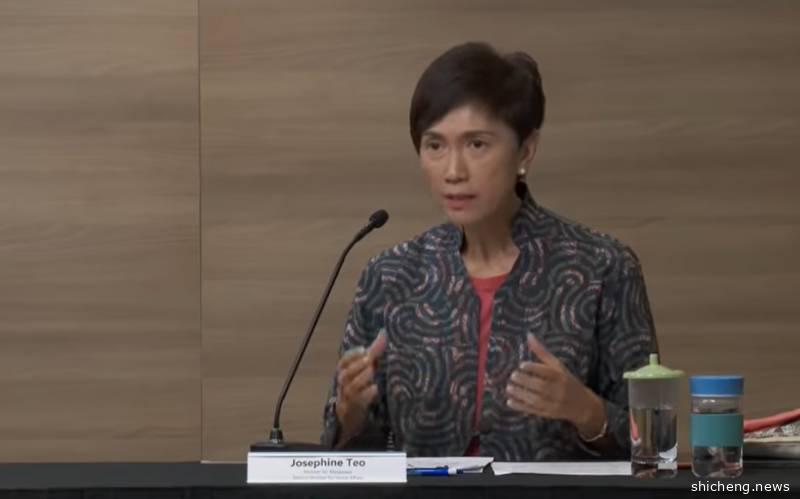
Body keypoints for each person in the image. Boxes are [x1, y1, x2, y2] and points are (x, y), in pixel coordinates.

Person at [320, 41, 658, 460]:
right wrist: (349, 414)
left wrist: (588, 412)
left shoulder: (602, 268)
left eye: (476, 144)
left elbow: (655, 444)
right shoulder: (390, 277)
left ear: (525, 151)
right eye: (435, 145)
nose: (453, 171)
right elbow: (350, 459)